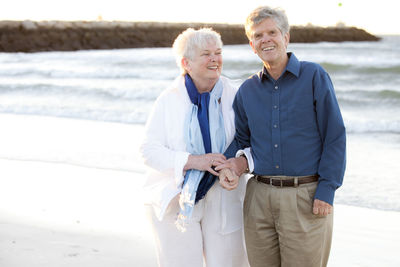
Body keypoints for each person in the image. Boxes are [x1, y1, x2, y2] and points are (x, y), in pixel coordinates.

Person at [216, 6, 346, 267]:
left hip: (305, 197)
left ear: (286, 37)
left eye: (272, 32)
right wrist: (227, 165)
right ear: (252, 45)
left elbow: (335, 135)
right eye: (258, 35)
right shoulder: (247, 90)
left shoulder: (314, 76)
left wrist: (327, 189)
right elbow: (243, 141)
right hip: (258, 198)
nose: (266, 39)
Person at [140, 28, 248, 267]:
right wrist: (195, 160)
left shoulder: (237, 94)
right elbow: (148, 150)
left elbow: (250, 140)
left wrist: (237, 165)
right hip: (177, 197)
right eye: (206, 54)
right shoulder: (169, 99)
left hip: (224, 196)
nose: (214, 59)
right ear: (186, 62)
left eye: (218, 53)